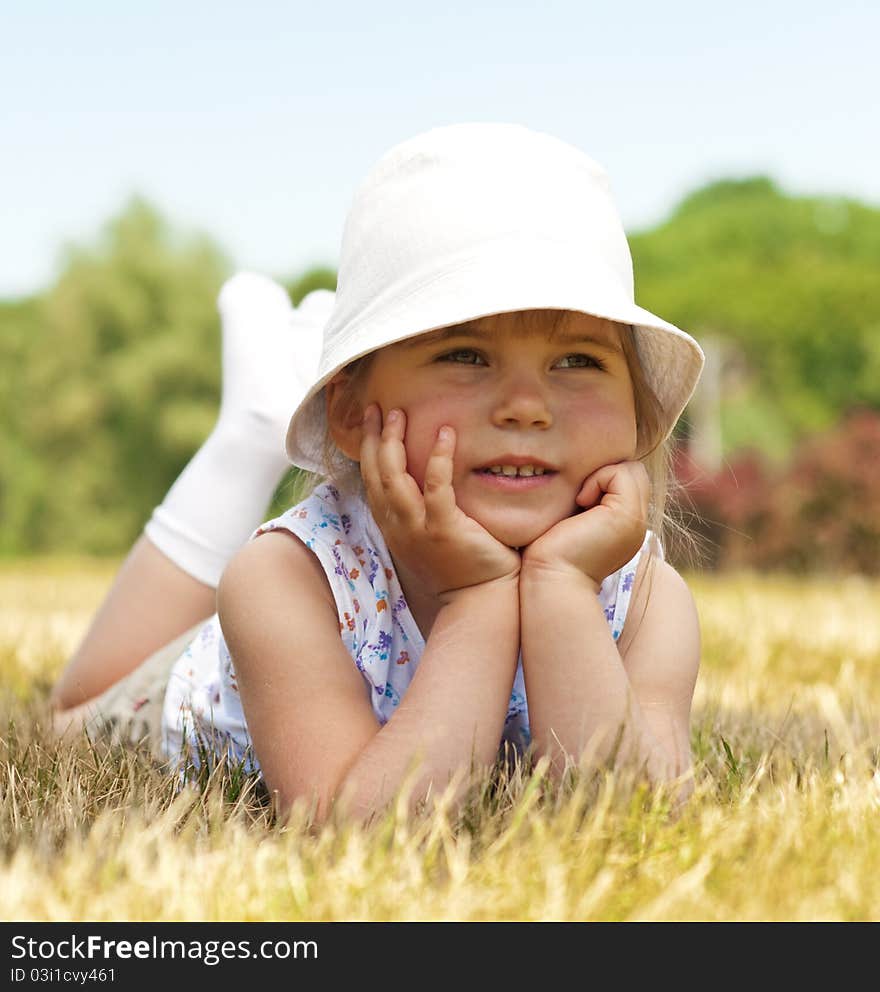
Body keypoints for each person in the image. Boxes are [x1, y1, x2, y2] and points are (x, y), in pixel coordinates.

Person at [51, 122, 705, 824]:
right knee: (70, 713)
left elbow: (639, 816)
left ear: (639, 417)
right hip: (186, 694)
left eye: (577, 361)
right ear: (353, 411)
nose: (527, 407)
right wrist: (478, 598)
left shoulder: (645, 600)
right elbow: (357, 828)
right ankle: (248, 435)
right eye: (465, 355)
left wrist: (565, 589)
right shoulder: (287, 579)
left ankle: (262, 414)